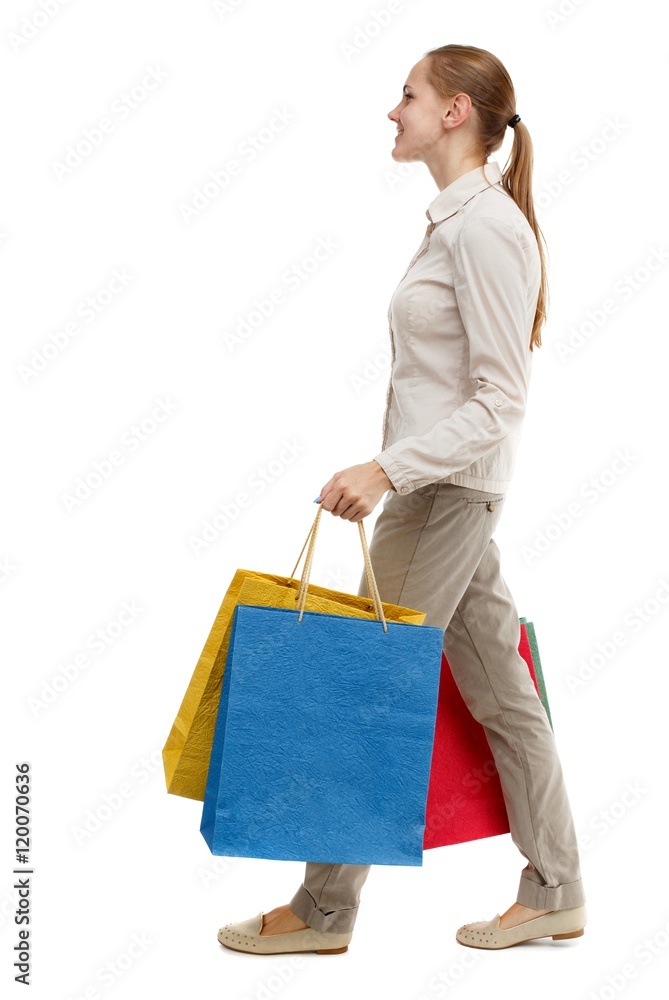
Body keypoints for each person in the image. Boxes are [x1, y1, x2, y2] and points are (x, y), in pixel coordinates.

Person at [218, 43, 587, 954]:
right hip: (445, 495)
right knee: (503, 697)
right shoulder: (456, 223)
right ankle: (556, 890)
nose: (395, 110)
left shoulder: (485, 229)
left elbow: (501, 400)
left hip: (441, 496)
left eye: (410, 95)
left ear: (456, 111)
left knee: (358, 691)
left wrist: (385, 471)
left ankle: (322, 913)